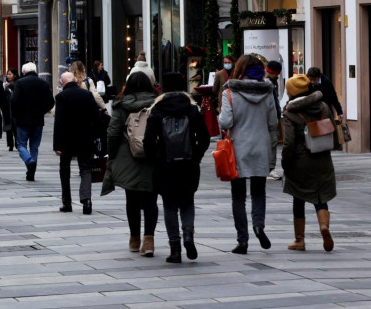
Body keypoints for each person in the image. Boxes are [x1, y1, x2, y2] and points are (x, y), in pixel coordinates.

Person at [144, 72, 211, 263]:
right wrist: (195, 157)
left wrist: (155, 159)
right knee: (187, 201)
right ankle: (188, 234)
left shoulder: (157, 109)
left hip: (165, 165)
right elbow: (204, 138)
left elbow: (148, 141)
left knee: (169, 206)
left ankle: (175, 248)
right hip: (188, 165)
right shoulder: (192, 108)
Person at [218, 53, 279, 254]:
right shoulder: (268, 92)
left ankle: (242, 241)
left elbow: (225, 122)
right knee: (259, 192)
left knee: (238, 196)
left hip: (238, 149)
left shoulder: (230, 93)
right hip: (261, 147)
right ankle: (258, 225)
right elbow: (273, 124)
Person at [104, 71, 159, 256]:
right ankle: (149, 241)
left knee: (132, 199)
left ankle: (134, 239)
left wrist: (112, 155)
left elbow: (113, 133)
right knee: (151, 199)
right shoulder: (157, 103)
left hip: (128, 156)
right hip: (152, 156)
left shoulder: (121, 105)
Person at [282, 74, 336, 252]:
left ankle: (300, 240)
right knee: (320, 195)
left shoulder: (290, 112)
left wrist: (285, 162)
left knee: (299, 197)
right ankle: (324, 227)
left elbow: (289, 142)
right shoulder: (323, 107)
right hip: (322, 158)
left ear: (291, 92)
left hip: (300, 160)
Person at [54, 71, 102, 215]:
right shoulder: (87, 95)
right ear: (75, 80)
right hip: (85, 138)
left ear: (63, 83)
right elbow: (96, 118)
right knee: (85, 169)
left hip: (67, 140)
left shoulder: (61, 97)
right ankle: (86, 199)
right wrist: (96, 136)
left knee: (65, 170)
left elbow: (59, 122)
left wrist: (57, 145)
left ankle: (67, 202)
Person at [9, 62, 55, 181]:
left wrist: (16, 114)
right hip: (38, 120)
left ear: (24, 72)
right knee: (34, 146)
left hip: (23, 120)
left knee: (21, 144)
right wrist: (42, 111)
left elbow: (14, 100)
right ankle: (31, 170)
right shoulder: (43, 83)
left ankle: (29, 162)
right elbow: (51, 101)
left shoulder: (20, 83)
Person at [2, 68, 17, 151]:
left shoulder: (17, 84)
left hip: (15, 109)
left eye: (10, 74)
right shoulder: (4, 85)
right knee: (8, 128)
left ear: (15, 75)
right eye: (8, 74)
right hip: (7, 108)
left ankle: (17, 143)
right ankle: (10, 145)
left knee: (16, 127)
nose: (9, 76)